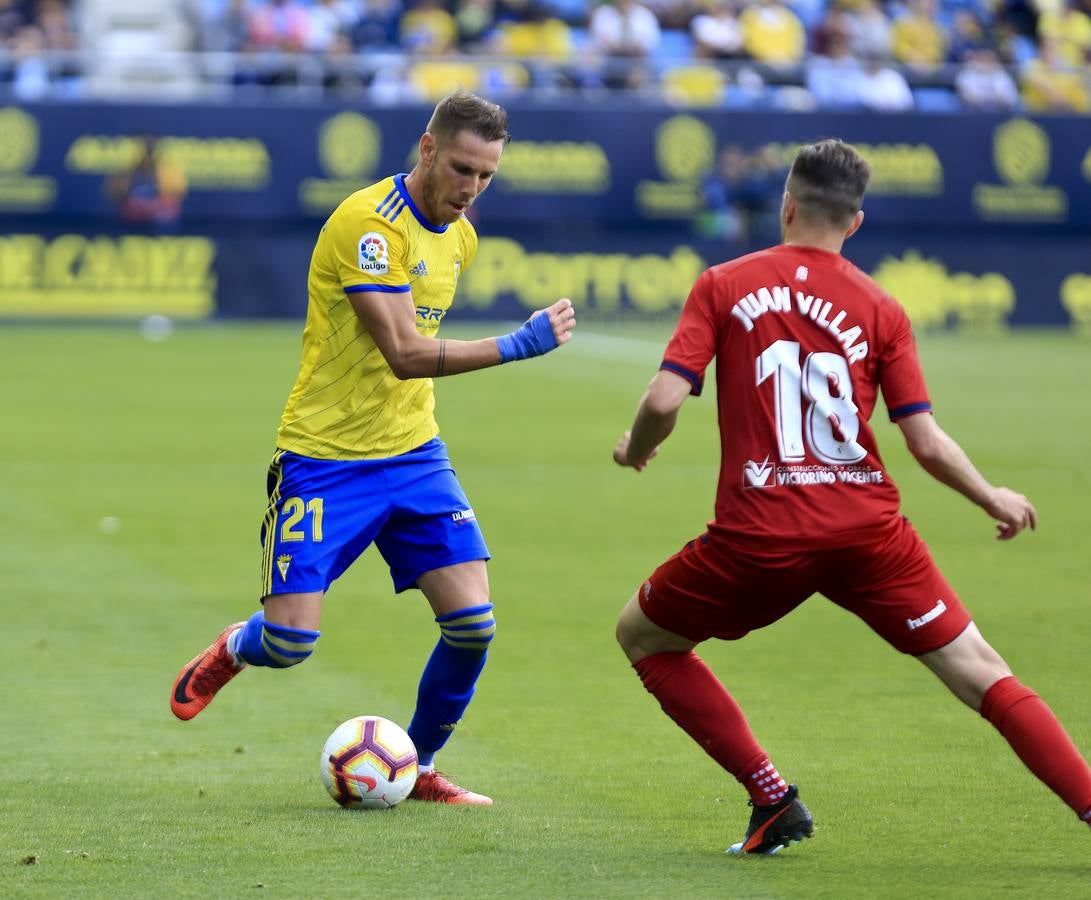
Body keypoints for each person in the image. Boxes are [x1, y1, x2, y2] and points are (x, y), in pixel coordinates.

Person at [612, 139, 1091, 854]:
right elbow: (923, 442)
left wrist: (639, 446)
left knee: (644, 636)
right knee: (981, 672)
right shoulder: (879, 306)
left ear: (786, 204)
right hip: (868, 534)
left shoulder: (723, 283)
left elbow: (663, 396)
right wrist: (989, 495)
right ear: (855, 223)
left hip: (759, 538)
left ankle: (770, 797)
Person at [170, 91, 577, 806]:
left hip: (414, 454)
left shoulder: (460, 235)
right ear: (426, 147)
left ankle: (415, 765)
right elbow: (404, 352)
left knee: (473, 627)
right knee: (291, 645)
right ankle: (238, 644)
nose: (470, 188)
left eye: (486, 175)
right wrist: (518, 345)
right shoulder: (368, 226)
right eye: (460, 168)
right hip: (324, 458)